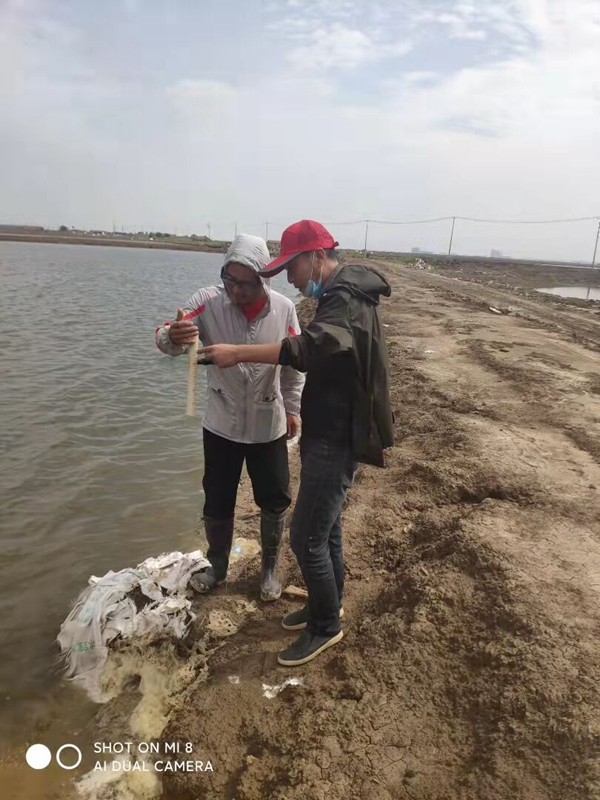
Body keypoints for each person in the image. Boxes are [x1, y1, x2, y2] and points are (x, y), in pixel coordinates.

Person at [197, 220, 394, 666]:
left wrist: (238, 352)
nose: (289, 278)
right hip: (330, 428)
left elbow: (306, 350)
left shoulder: (343, 298)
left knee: (305, 536)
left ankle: (325, 627)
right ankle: (328, 605)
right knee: (329, 529)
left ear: (316, 257)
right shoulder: (342, 292)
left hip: (336, 435)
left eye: (292, 267)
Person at [155, 234, 304, 601]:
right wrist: (173, 335)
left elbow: (294, 364)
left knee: (274, 499)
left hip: (268, 424)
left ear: (263, 278)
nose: (236, 290)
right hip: (221, 423)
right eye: (229, 280)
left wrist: (292, 408)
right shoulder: (207, 302)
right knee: (217, 499)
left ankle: (269, 569)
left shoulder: (284, 309)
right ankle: (218, 566)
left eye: (246, 282)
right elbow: (167, 339)